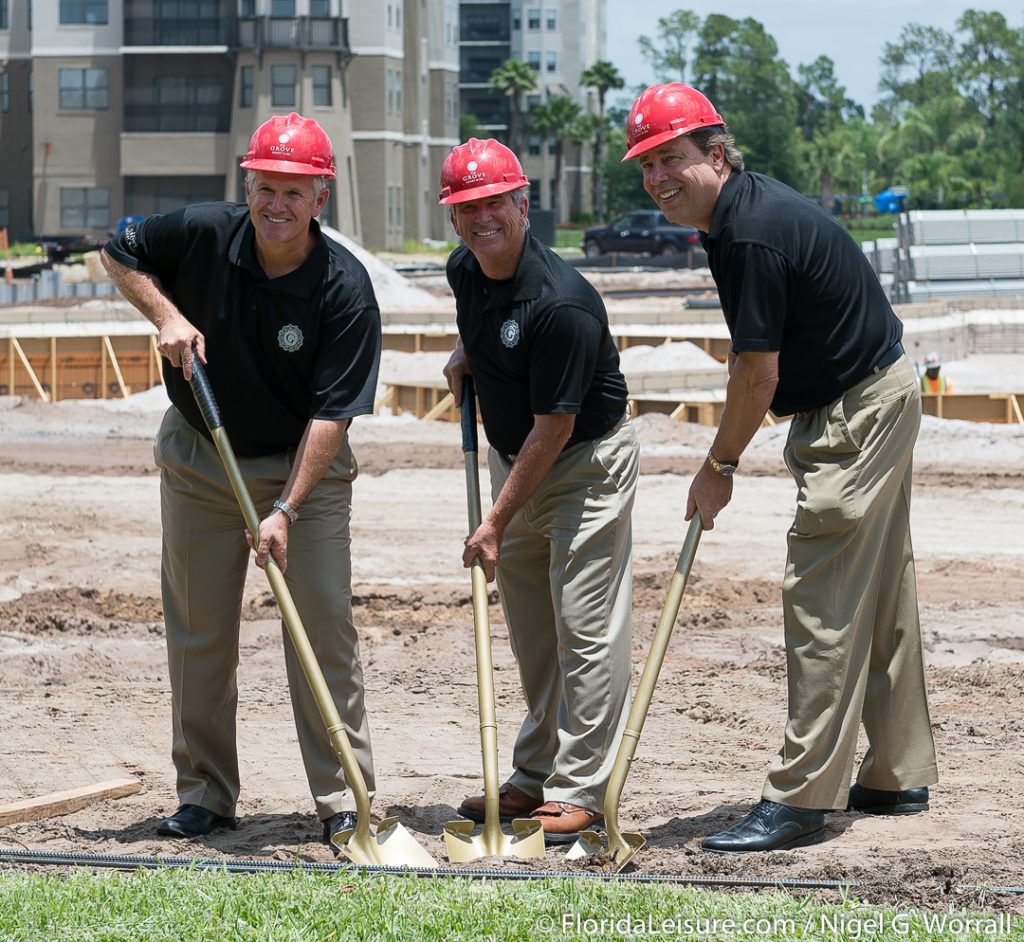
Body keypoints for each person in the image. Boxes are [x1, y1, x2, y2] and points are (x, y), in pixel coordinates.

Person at [622, 84, 938, 852]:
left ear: (716, 154)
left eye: (675, 158)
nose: (661, 176)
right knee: (880, 587)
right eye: (648, 163)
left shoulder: (751, 234)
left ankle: (801, 800)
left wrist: (718, 465)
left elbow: (753, 376)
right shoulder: (738, 217)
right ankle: (896, 774)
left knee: (822, 597)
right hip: (875, 391)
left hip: (856, 408)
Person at [100, 113, 382, 847]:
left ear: (321, 197)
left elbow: (332, 416)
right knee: (200, 632)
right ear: (246, 184)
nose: (276, 205)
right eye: (265, 188)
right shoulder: (200, 230)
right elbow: (121, 249)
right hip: (201, 456)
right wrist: (164, 314)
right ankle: (205, 795)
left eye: (295, 192)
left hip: (302, 470)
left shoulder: (344, 288)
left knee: (320, 630)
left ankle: (344, 796)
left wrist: (285, 507)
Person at [438, 138, 640, 843]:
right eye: (468, 206)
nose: (482, 218)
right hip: (512, 457)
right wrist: (471, 352)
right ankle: (533, 772)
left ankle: (585, 787)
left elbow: (556, 429)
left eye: (496, 202)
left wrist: (493, 521)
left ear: (524, 206)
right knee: (532, 633)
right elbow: (486, 330)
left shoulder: (563, 305)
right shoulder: (464, 269)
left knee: (586, 628)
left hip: (582, 462)